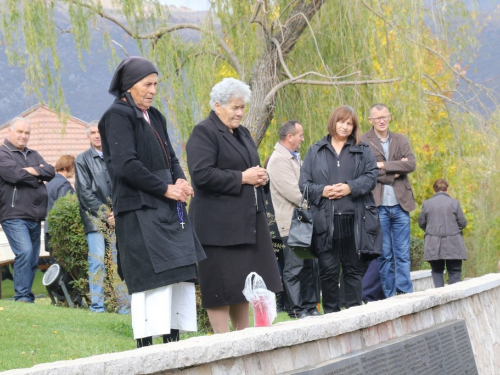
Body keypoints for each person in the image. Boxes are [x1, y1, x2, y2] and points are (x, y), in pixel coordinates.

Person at [98, 56, 206, 347]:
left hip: (168, 207)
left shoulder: (155, 115)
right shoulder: (117, 116)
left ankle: (173, 343)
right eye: (147, 84)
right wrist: (165, 189)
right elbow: (126, 165)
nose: (153, 90)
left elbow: (170, 156)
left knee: (178, 273)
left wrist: (181, 180)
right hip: (138, 208)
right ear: (129, 86)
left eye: (156, 84)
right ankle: (146, 349)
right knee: (151, 279)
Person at [186, 77, 282, 333]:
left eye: (242, 107)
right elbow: (202, 175)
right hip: (216, 227)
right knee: (219, 286)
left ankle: (244, 338)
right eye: (234, 107)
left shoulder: (243, 133)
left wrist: (259, 176)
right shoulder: (204, 132)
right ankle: (223, 342)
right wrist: (242, 178)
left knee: (243, 283)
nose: (240, 112)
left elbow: (248, 167)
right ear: (217, 106)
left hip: (244, 223)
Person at [299, 105, 381, 314]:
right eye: (341, 121)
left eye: (349, 123)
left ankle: (353, 318)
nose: (344, 127)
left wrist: (349, 188)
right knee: (328, 272)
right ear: (333, 122)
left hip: (355, 220)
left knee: (353, 270)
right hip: (325, 222)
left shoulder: (362, 150)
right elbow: (304, 184)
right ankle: (332, 318)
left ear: (354, 126)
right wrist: (324, 191)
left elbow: (371, 177)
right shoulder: (315, 150)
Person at [360, 103, 416, 297]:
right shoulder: (363, 142)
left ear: (390, 117)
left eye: (384, 116)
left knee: (402, 253)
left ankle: (405, 292)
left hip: (401, 204)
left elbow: (410, 164)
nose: (382, 120)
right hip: (378, 205)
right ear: (370, 121)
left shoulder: (400, 139)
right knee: (384, 254)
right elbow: (366, 171)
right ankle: (389, 295)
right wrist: (395, 171)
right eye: (377, 118)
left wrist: (382, 164)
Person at [267, 120, 320, 319]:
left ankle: (309, 306)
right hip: (290, 223)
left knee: (308, 266)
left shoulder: (294, 158)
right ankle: (296, 309)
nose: (303, 139)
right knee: (294, 267)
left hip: (302, 221)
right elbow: (293, 192)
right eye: (300, 135)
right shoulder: (278, 160)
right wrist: (314, 203)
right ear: (289, 137)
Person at [75, 121, 130, 314]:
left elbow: (124, 185)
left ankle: (125, 307)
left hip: (118, 216)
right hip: (94, 218)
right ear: (88, 137)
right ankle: (97, 307)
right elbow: (84, 193)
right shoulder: (82, 160)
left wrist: (118, 212)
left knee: (119, 261)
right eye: (92, 132)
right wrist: (106, 214)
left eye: (100, 132)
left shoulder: (116, 157)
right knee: (97, 261)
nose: (97, 135)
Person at [0, 117, 55, 302]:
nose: (24, 136)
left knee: (32, 258)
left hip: (35, 215)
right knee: (24, 252)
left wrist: (29, 171)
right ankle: (22, 296)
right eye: (20, 132)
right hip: (14, 214)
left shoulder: (34, 154)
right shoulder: (2, 154)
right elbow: (14, 175)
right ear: (10, 131)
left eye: (27, 133)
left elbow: (50, 171)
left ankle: (26, 296)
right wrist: (37, 173)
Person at [418, 179, 467, 287]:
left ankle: (439, 295)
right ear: (447, 189)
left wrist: (432, 230)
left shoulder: (427, 204)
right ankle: (455, 297)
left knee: (437, 270)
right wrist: (453, 229)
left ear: (434, 190)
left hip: (433, 244)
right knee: (454, 270)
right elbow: (463, 223)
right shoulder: (454, 203)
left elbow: (421, 223)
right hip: (453, 243)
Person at [45, 155, 75, 264]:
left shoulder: (49, 183)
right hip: (61, 231)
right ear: (67, 167)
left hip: (49, 230)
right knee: (64, 266)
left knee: (55, 265)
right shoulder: (63, 184)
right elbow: (65, 207)